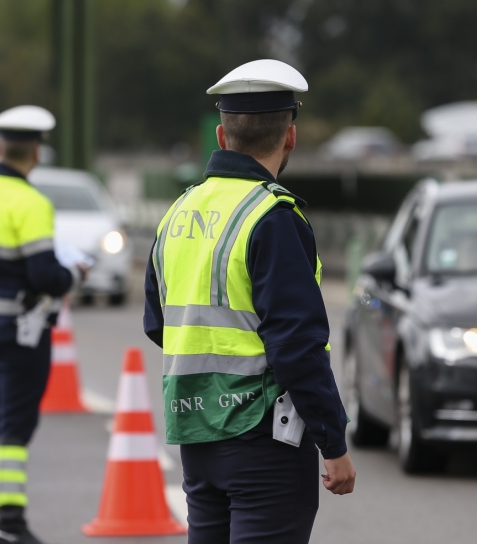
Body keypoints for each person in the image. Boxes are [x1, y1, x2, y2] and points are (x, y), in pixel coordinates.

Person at [143, 59, 355, 544]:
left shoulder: (178, 212)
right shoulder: (273, 216)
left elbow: (159, 324)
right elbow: (298, 345)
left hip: (196, 430)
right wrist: (333, 441)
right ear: (290, 137)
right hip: (264, 440)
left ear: (221, 136)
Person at [0, 106, 87, 544]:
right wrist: (74, 274)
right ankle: (10, 522)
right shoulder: (31, 203)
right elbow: (44, 275)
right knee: (15, 424)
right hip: (20, 327)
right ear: (36, 151)